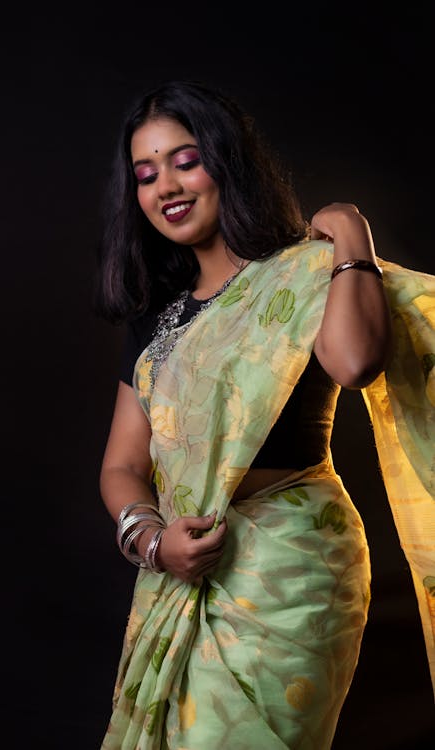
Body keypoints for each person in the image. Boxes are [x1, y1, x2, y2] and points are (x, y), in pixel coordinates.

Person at [94, 79, 435, 749]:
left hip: (294, 571)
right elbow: (123, 465)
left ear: (225, 162)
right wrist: (154, 541)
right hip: (185, 575)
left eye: (184, 160)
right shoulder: (155, 321)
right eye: (145, 173)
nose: (166, 184)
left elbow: (355, 361)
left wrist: (352, 240)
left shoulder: (303, 272)